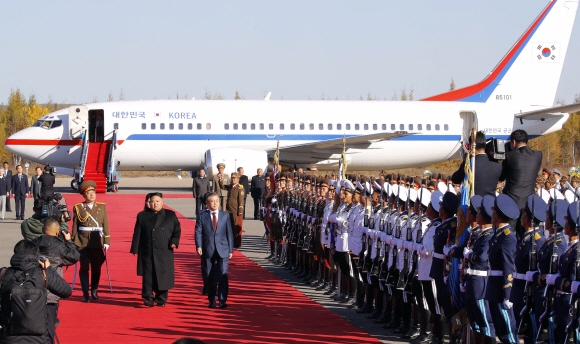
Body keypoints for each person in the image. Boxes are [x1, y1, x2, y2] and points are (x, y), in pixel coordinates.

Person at [0, 240, 72, 344]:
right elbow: (66, 291)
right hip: (39, 336)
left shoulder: (3, 273)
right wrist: (48, 269)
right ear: (36, 255)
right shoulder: (42, 274)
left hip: (9, 334)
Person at [31, 218, 80, 343]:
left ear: (43, 230)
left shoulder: (33, 243)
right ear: (57, 232)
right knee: (49, 327)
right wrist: (69, 241)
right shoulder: (59, 246)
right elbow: (74, 257)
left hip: (32, 289)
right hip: (51, 290)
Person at [130, 192, 181, 307]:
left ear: (162, 202)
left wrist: (174, 242)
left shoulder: (170, 215)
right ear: (149, 203)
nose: (155, 204)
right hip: (147, 250)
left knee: (163, 274)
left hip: (165, 250)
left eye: (157, 201)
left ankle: (161, 297)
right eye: (152, 201)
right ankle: (148, 296)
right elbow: (137, 233)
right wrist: (135, 248)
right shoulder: (142, 216)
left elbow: (177, 230)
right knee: (148, 274)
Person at [71, 180, 111, 302]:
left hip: (96, 240)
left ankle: (94, 289)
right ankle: (85, 293)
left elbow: (105, 224)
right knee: (84, 268)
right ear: (84, 195)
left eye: (93, 192)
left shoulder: (102, 207)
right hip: (82, 241)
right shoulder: (78, 207)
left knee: (96, 268)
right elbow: (75, 226)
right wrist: (73, 241)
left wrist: (107, 240)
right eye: (89, 193)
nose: (92, 195)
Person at [499, 129, 543, 237]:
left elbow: (501, 177)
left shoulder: (509, 156)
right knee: (526, 237)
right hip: (528, 203)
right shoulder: (538, 155)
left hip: (511, 202)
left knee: (509, 236)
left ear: (513, 142)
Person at [195, 192, 234, 309]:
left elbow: (229, 233)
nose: (215, 203)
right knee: (209, 275)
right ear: (207, 203)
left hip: (223, 249)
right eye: (212, 201)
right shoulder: (202, 215)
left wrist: (231, 249)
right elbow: (198, 232)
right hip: (208, 249)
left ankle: (222, 300)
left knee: (223, 274)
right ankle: (212, 299)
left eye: (216, 201)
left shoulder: (225, 215)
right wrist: (199, 246)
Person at [452, 131, 502, 196]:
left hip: (474, 203)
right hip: (491, 202)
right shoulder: (497, 164)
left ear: (471, 146)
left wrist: (466, 160)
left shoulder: (469, 163)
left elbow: (455, 179)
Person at [221, 172, 245, 248]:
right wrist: (220, 180)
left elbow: (241, 200)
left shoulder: (240, 188)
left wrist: (240, 210)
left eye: (234, 178)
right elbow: (223, 187)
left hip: (235, 209)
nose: (233, 180)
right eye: (232, 178)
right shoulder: (231, 186)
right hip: (229, 209)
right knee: (229, 225)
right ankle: (230, 241)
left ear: (238, 179)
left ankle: (237, 242)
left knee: (236, 225)